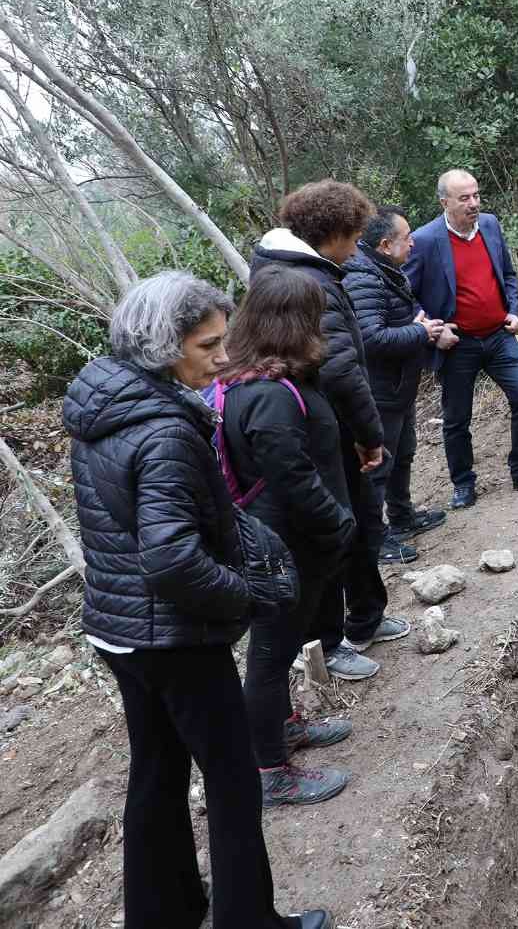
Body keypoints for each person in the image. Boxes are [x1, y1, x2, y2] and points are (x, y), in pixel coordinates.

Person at [63, 271, 330, 929]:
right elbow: (170, 556)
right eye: (209, 346)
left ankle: (166, 912)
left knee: (155, 774)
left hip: (117, 627)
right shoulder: (166, 432)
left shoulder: (103, 405)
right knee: (234, 780)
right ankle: (249, 921)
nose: (223, 358)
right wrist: (244, 600)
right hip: (174, 637)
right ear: (163, 345)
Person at [252, 180, 409, 683]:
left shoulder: (308, 269)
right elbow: (339, 368)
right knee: (336, 531)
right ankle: (334, 639)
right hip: (321, 428)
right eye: (356, 235)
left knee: (362, 521)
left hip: (330, 424)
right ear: (335, 233)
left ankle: (366, 616)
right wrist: (370, 433)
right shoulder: (308, 282)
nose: (358, 244)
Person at [217, 265, 357, 808]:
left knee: (279, 647)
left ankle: (287, 727)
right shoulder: (270, 396)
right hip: (285, 546)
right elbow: (293, 478)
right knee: (271, 655)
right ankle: (270, 769)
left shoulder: (268, 379)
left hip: (292, 542)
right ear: (293, 322)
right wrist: (337, 523)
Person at [405, 168, 518, 508]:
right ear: (444, 202)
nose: (473, 203)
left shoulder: (489, 224)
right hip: (459, 345)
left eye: (475, 195)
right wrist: (433, 331)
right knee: (457, 418)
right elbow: (404, 295)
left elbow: (507, 274)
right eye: (464, 198)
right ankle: (463, 484)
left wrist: (514, 310)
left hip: (499, 335)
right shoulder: (425, 240)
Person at [344, 205, 448, 560]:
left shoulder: (387, 270)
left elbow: (394, 315)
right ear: (386, 245)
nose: (414, 243)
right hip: (379, 390)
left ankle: (403, 516)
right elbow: (371, 338)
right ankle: (375, 540)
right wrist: (419, 332)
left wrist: (414, 321)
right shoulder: (363, 278)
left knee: (403, 454)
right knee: (378, 467)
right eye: (407, 238)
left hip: (399, 386)